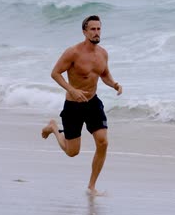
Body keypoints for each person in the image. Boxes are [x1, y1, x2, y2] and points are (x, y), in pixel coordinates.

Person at [41, 15, 122, 194]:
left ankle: (91, 186)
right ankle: (54, 127)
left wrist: (114, 84)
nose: (96, 32)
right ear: (84, 32)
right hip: (73, 106)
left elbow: (105, 74)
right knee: (72, 152)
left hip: (93, 103)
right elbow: (55, 73)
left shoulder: (103, 53)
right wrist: (72, 90)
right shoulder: (73, 52)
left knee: (103, 142)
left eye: (99, 29)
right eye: (92, 29)